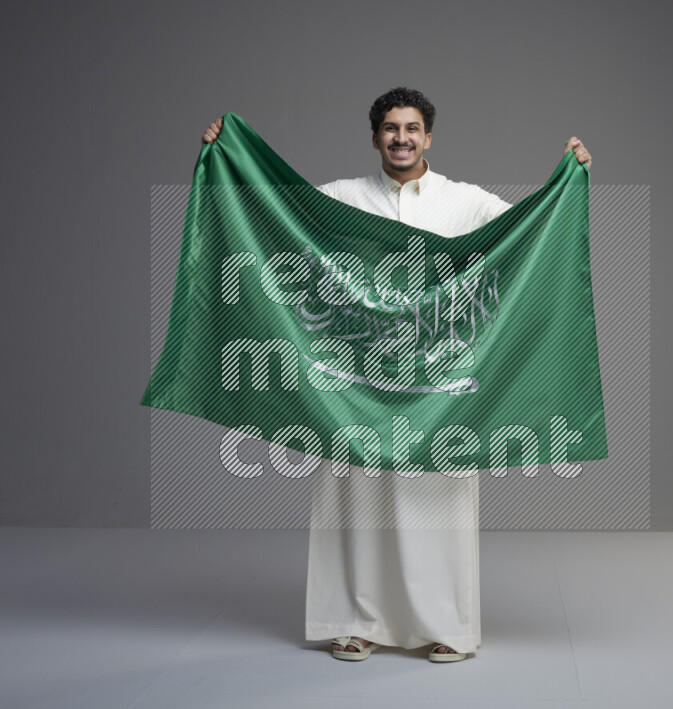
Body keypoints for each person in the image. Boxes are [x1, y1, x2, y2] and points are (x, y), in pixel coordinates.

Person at [201, 88, 592, 662]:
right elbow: (271, 212)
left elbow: (530, 234)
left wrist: (570, 178)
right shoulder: (341, 199)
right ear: (375, 137)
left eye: (411, 128)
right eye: (390, 128)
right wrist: (227, 156)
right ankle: (356, 622)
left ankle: (446, 626)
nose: (401, 138)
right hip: (354, 384)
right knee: (356, 503)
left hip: (437, 388)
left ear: (428, 137)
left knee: (438, 502)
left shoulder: (464, 201)